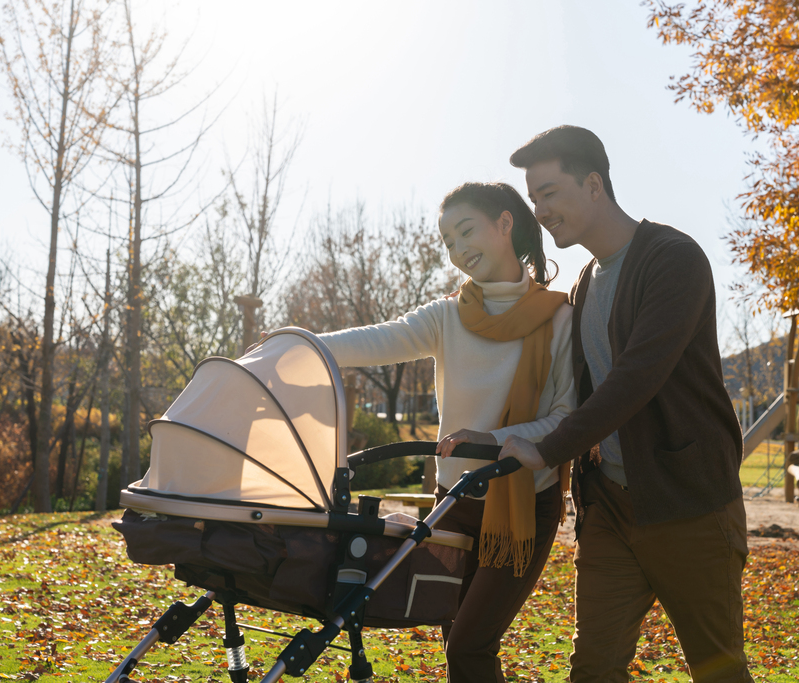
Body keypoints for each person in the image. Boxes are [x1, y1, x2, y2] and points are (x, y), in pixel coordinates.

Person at [497, 126, 754, 683]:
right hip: (610, 508)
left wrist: (547, 450)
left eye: (549, 192)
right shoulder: (586, 283)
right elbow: (583, 391)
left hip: (689, 502)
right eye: (533, 198)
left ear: (593, 184)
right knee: (592, 669)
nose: (539, 210)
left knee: (718, 670)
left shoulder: (673, 259)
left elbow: (639, 377)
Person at [315, 181, 576, 683]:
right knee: (458, 639)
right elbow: (377, 340)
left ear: (505, 224)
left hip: (522, 504)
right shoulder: (448, 316)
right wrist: (302, 344)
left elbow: (566, 417)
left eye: (465, 232)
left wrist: (490, 441)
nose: (458, 251)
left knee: (469, 646)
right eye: (448, 242)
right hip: (451, 502)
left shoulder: (559, 319)